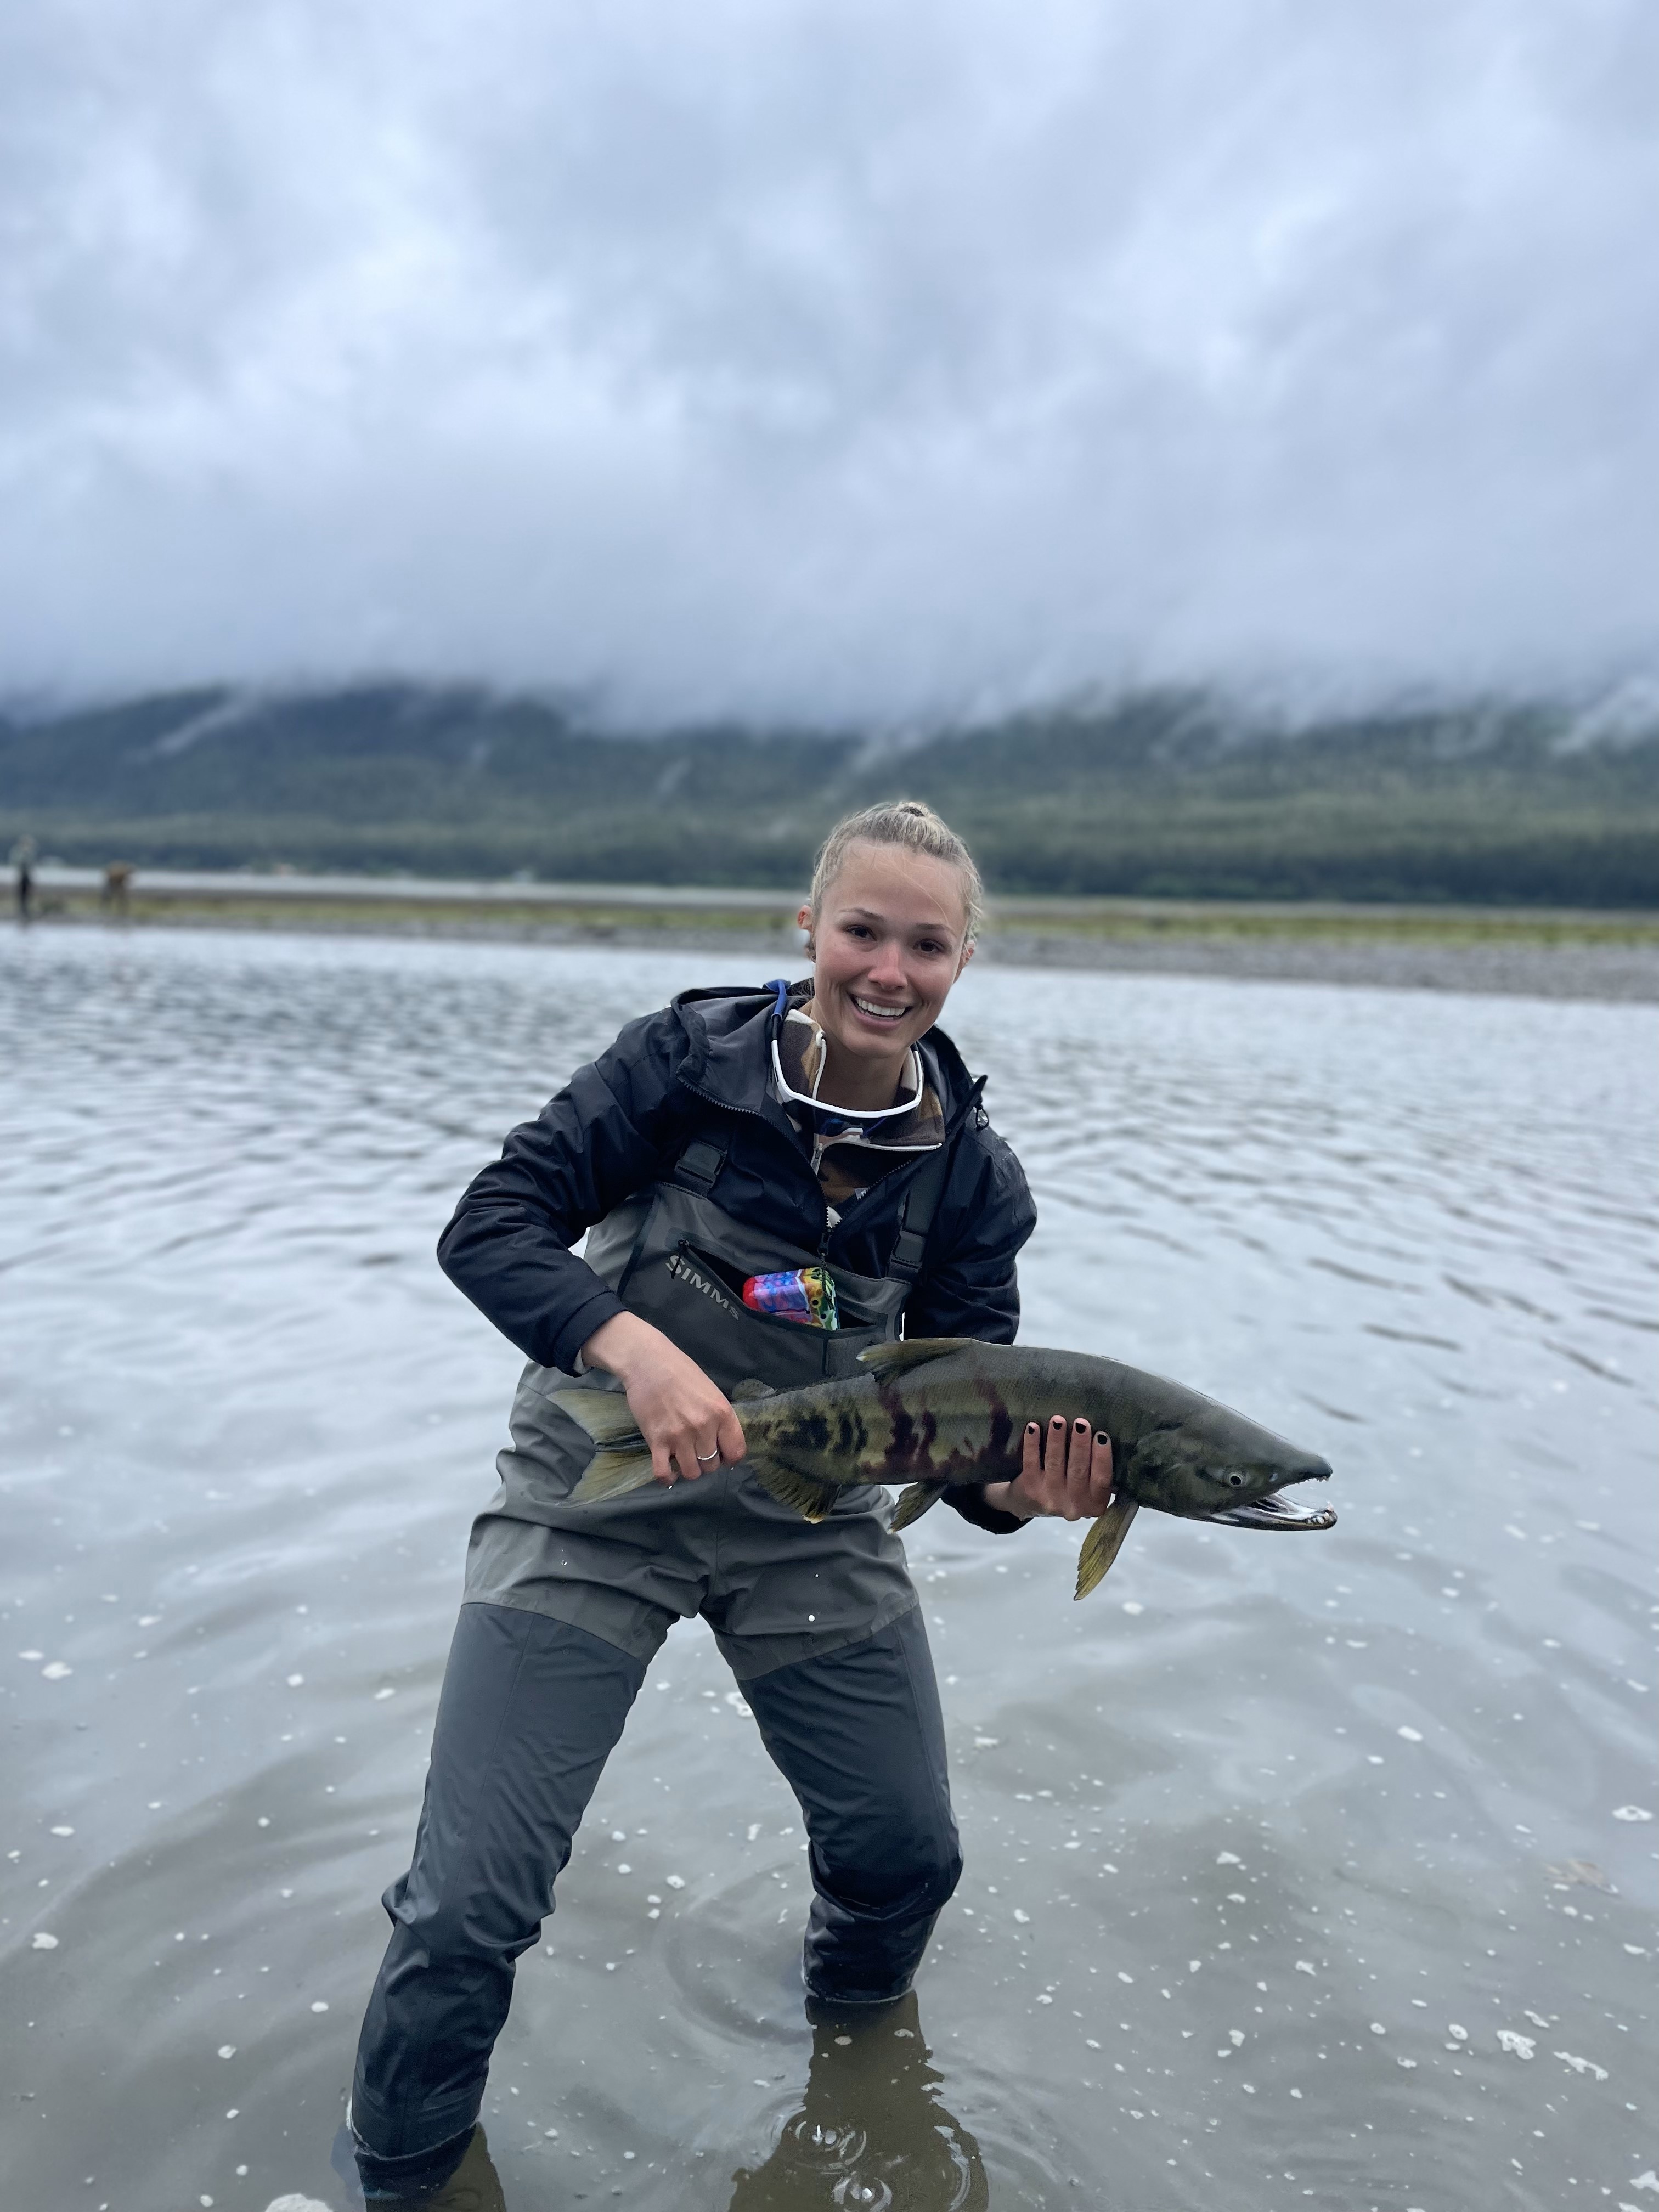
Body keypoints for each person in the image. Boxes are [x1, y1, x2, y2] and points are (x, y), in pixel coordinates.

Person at [348, 800, 1116, 2205]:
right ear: (809, 929)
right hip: (590, 1508)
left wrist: (1018, 1490)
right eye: (863, 932)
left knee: (906, 1857)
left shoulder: (972, 1181)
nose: (889, 970)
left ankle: (849, 2042)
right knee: (465, 1909)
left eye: (927, 946)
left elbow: (965, 1428)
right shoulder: (678, 1069)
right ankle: (402, 2177)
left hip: (805, 1533)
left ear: (964, 962)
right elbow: (491, 1224)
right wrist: (631, 1348)